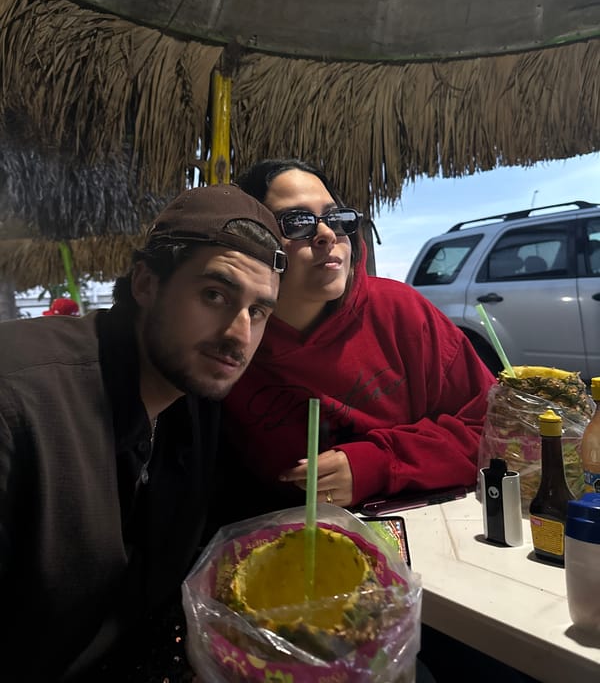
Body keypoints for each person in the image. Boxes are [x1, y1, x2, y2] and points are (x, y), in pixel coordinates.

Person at [0, 184, 286, 682]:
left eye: (258, 312)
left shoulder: (195, 401)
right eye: (214, 294)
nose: (240, 335)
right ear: (146, 284)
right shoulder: (20, 404)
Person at [222, 158, 496, 515]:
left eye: (335, 218)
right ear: (253, 241)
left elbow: (495, 431)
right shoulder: (231, 339)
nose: (326, 234)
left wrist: (381, 464)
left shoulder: (399, 311)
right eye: (298, 222)